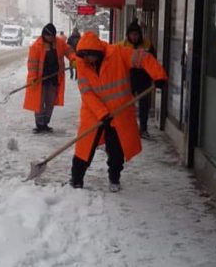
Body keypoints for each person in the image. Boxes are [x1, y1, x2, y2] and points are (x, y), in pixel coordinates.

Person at [72, 32, 167, 192]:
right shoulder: (82, 64)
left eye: (90, 56)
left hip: (119, 111)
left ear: (97, 52)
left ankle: (114, 177)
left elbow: (144, 58)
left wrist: (158, 76)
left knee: (116, 149)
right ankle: (76, 179)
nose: (88, 60)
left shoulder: (117, 53)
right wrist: (102, 113)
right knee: (84, 147)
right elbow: (86, 93)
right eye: (84, 56)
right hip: (93, 112)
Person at [24, 23, 76, 133]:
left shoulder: (59, 43)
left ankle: (46, 122)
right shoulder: (36, 46)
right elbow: (32, 64)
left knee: (50, 102)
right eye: (49, 36)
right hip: (40, 80)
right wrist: (33, 78)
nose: (51, 38)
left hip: (54, 78)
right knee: (39, 102)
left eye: (53, 36)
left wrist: (73, 59)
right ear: (44, 35)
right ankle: (39, 124)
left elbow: (69, 51)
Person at [120, 20, 157, 138]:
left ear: (140, 34)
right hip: (128, 79)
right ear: (128, 35)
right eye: (131, 34)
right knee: (127, 105)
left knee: (144, 106)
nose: (134, 37)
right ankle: (126, 128)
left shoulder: (147, 44)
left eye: (136, 34)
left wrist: (155, 77)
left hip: (144, 79)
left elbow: (153, 62)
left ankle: (143, 129)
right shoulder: (123, 45)